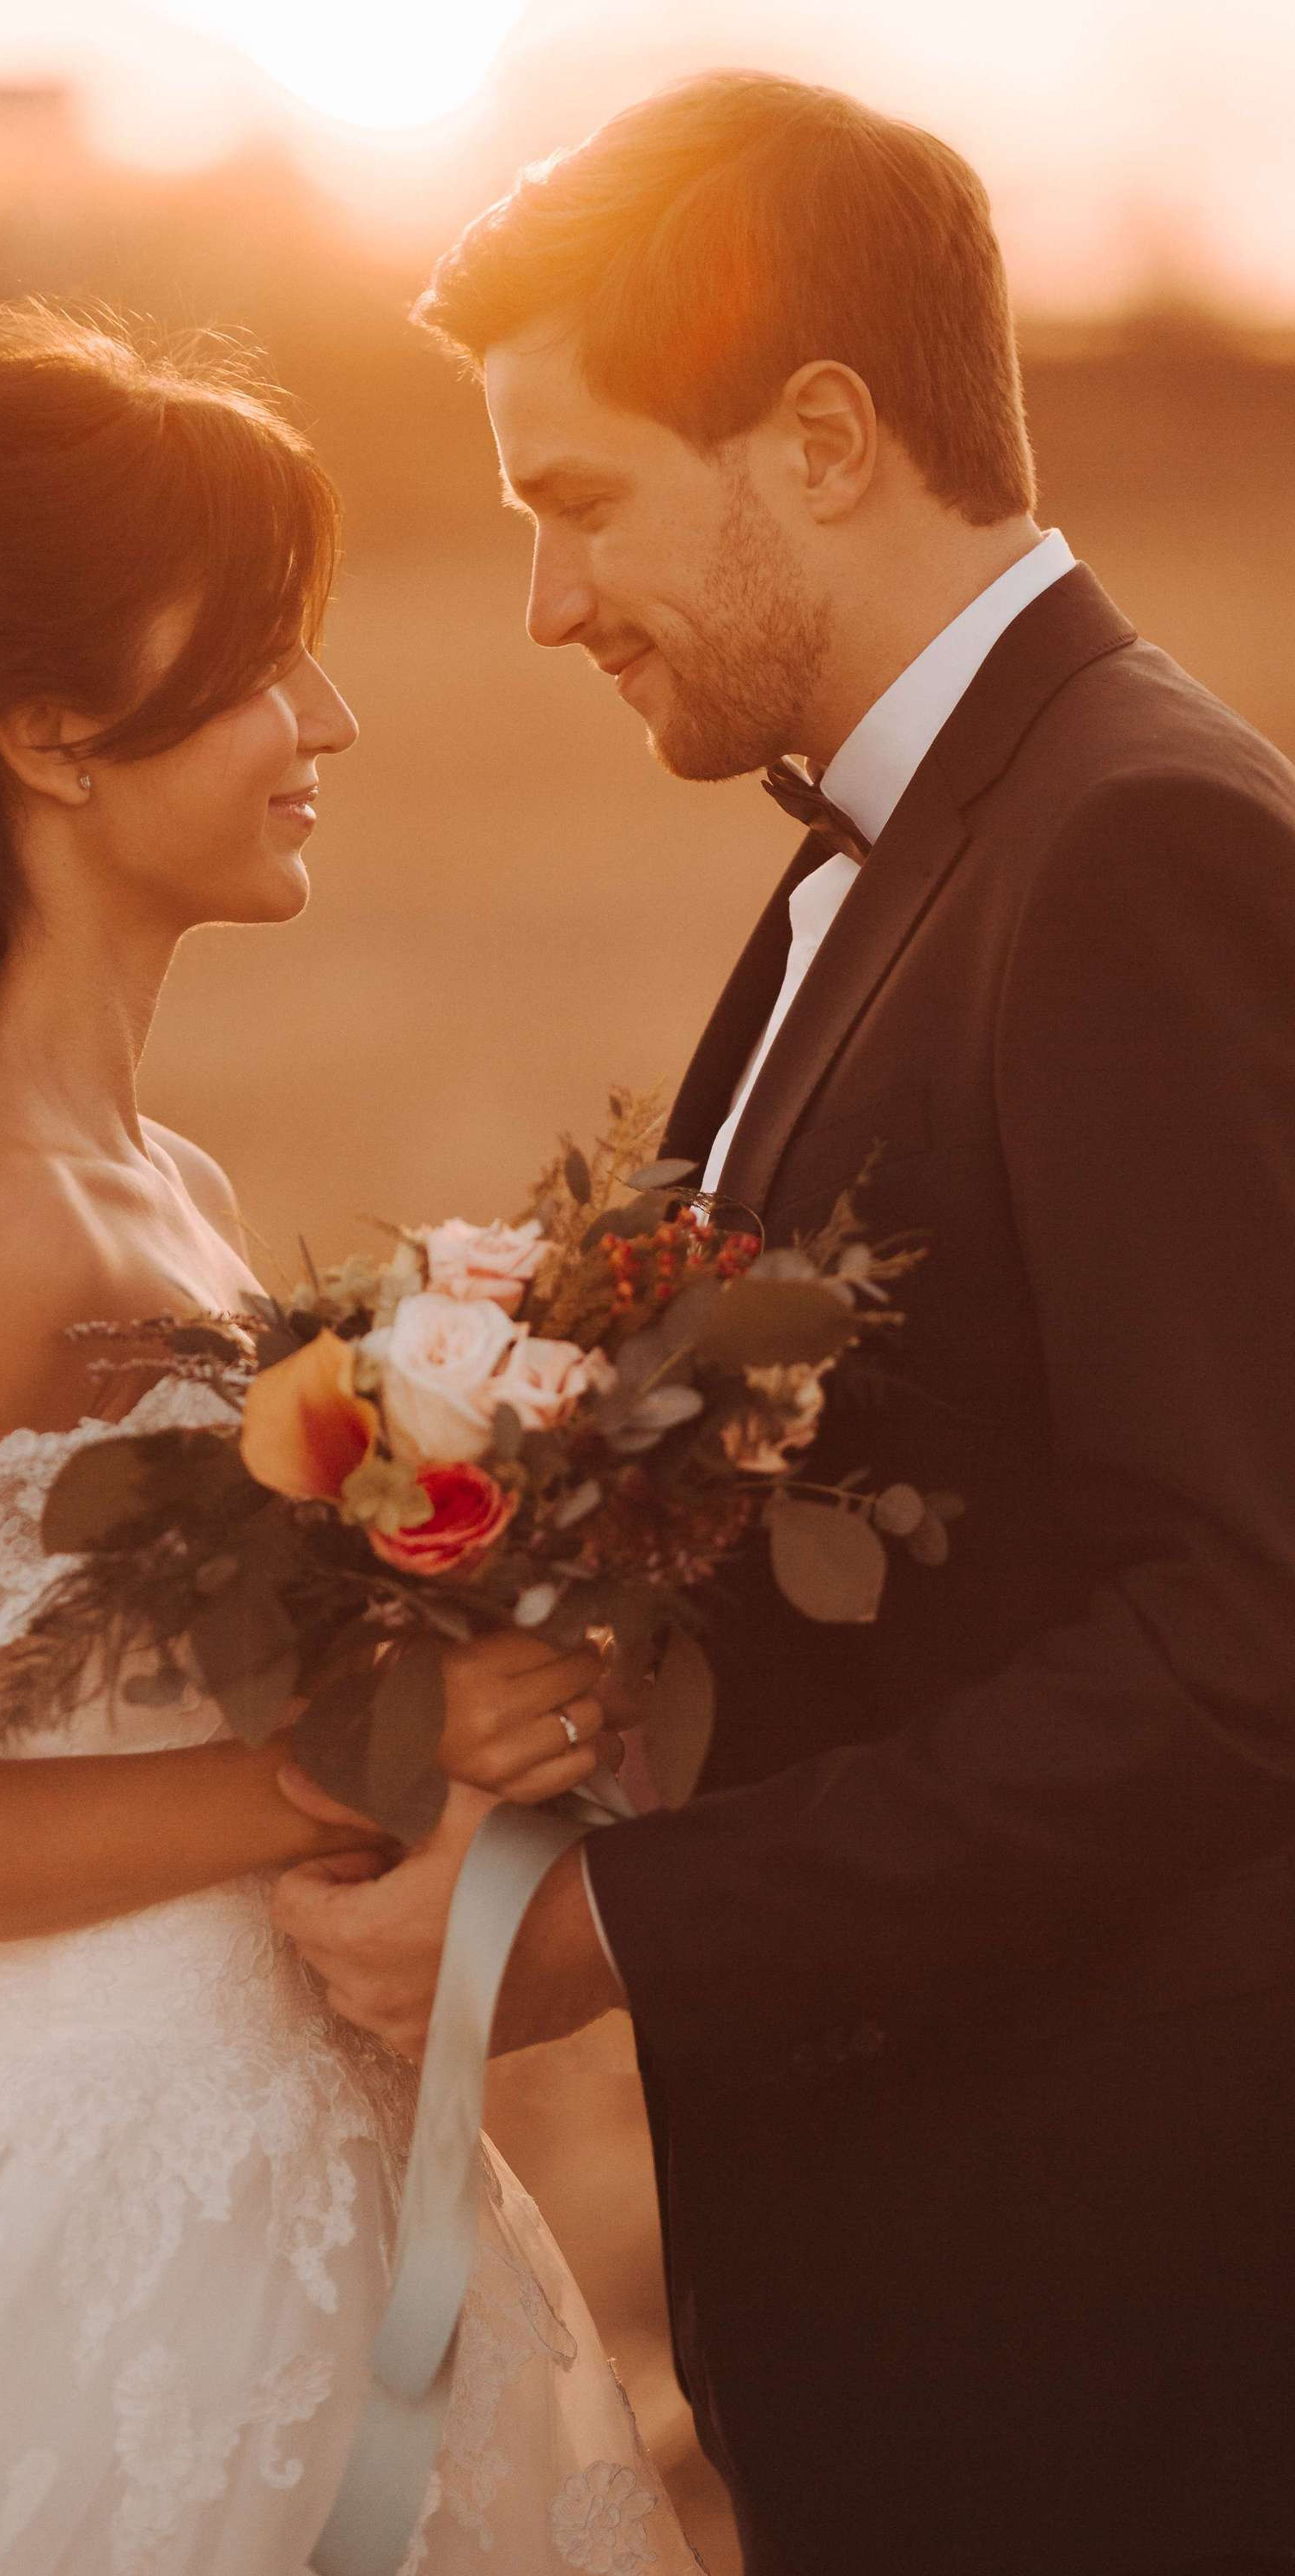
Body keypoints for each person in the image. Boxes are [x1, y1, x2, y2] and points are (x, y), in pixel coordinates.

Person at [0, 293, 699, 2575]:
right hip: (105, 2236)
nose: (335, 716)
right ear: (50, 729)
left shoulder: (148, 1182)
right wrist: (331, 1769)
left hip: (314, 2176)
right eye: (266, 656)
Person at [274, 72, 1295, 2576]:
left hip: (1115, 2335)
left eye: (579, 498)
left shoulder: (1131, 843)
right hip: (922, 2313)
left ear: (823, 438)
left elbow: (1241, 1636)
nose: (546, 599)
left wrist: (628, 1929)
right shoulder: (909, 841)